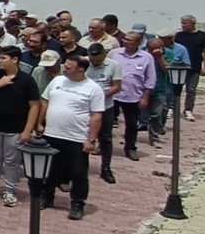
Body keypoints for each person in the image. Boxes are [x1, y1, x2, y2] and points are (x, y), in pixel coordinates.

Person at [35, 53, 104, 220]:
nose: (64, 69)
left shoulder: (93, 89)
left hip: (77, 138)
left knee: (78, 172)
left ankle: (77, 204)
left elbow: (96, 115)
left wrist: (91, 139)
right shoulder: (57, 81)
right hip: (52, 134)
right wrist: (39, 123)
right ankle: (47, 196)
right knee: (50, 169)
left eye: (68, 67)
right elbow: (45, 101)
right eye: (64, 66)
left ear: (80, 70)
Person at [0, 46, 40, 206]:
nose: (0, 61)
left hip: (16, 129)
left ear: (15, 59)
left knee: (12, 161)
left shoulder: (27, 80)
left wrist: (28, 130)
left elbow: (34, 106)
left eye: (3, 58)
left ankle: (10, 189)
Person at [109, 32, 156, 160]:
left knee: (131, 124)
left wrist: (145, 97)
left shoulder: (146, 58)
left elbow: (150, 79)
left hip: (133, 96)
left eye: (129, 40)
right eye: (125, 39)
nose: (125, 42)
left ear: (138, 43)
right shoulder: (114, 53)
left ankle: (130, 148)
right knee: (106, 123)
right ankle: (103, 146)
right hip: (113, 94)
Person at [84, 43, 122, 184]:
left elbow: (117, 86)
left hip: (105, 106)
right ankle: (81, 167)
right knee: (82, 137)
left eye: (98, 60)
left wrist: (99, 96)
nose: (95, 63)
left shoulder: (113, 65)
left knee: (105, 138)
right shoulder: (82, 62)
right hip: (85, 107)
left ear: (104, 56)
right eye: (92, 60)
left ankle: (106, 167)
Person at [173, 15, 205, 121]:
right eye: (182, 23)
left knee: (191, 90)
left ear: (192, 23)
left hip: (194, 67)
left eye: (185, 23)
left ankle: (188, 109)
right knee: (175, 89)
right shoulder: (179, 35)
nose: (182, 25)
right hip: (179, 67)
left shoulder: (203, 36)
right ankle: (172, 108)